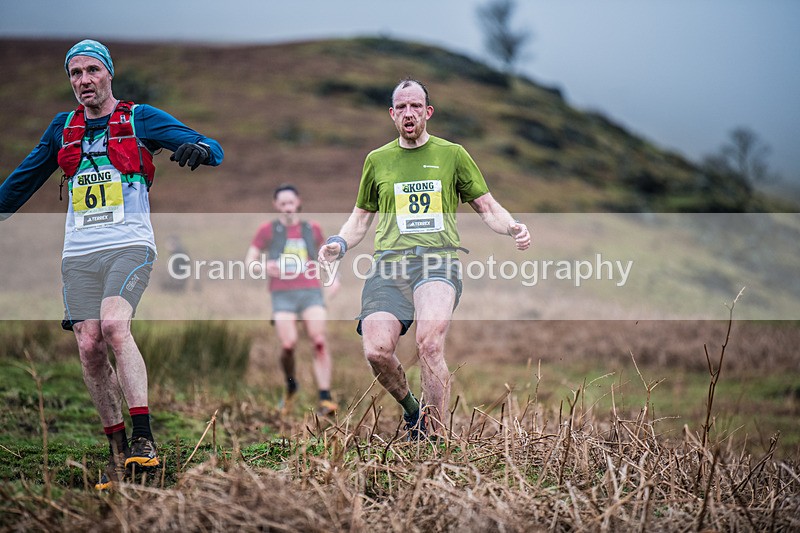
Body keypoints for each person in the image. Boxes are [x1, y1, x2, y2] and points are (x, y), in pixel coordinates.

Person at [0, 40, 223, 489]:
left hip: (130, 245)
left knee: (114, 327)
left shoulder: (141, 118)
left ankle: (144, 440)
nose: (84, 80)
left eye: (92, 71)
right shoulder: (61, 128)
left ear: (109, 73)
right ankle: (118, 452)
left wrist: (199, 150)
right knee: (88, 344)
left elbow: (210, 146)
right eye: (75, 73)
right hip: (79, 252)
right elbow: (20, 183)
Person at [318, 78, 530, 438]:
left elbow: (487, 206)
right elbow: (360, 219)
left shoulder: (453, 155)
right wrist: (338, 242)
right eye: (401, 107)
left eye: (416, 106)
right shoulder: (377, 160)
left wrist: (512, 226)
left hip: (437, 261)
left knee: (429, 344)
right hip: (389, 265)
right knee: (377, 351)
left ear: (428, 112)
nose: (409, 113)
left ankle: (436, 438)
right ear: (392, 114)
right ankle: (414, 414)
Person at [246, 184, 339, 417]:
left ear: (298, 202)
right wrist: (264, 266)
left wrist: (333, 278)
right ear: (276, 205)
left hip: (310, 292)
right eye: (283, 203)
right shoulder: (267, 230)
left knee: (318, 341)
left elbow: (325, 259)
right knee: (288, 346)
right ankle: (291, 385)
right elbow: (250, 261)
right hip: (282, 295)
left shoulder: (312, 229)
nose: (287, 207)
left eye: (291, 202)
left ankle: (325, 397)